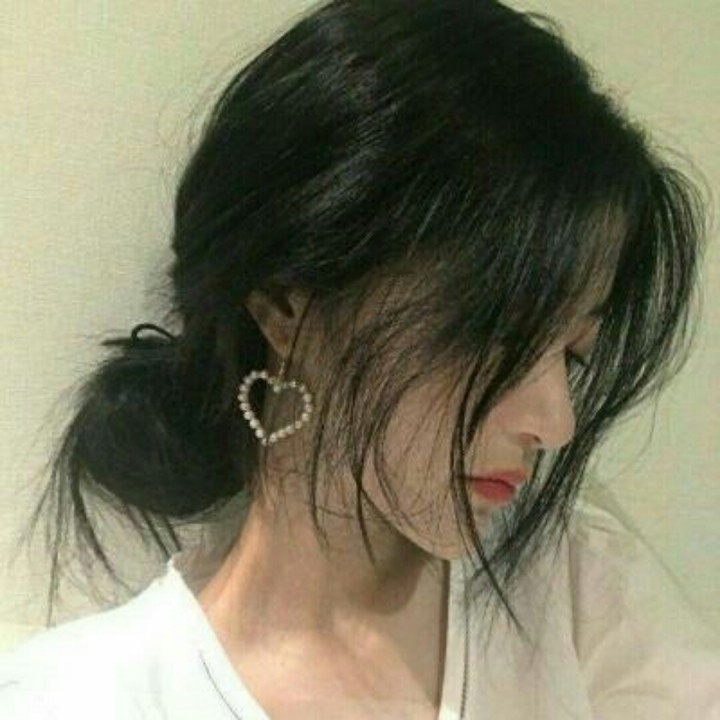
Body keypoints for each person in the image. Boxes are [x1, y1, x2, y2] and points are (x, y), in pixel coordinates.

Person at [1, 0, 718, 717]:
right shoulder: (79, 697)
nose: (555, 422)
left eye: (573, 355)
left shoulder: (575, 592)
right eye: (495, 332)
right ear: (284, 303)